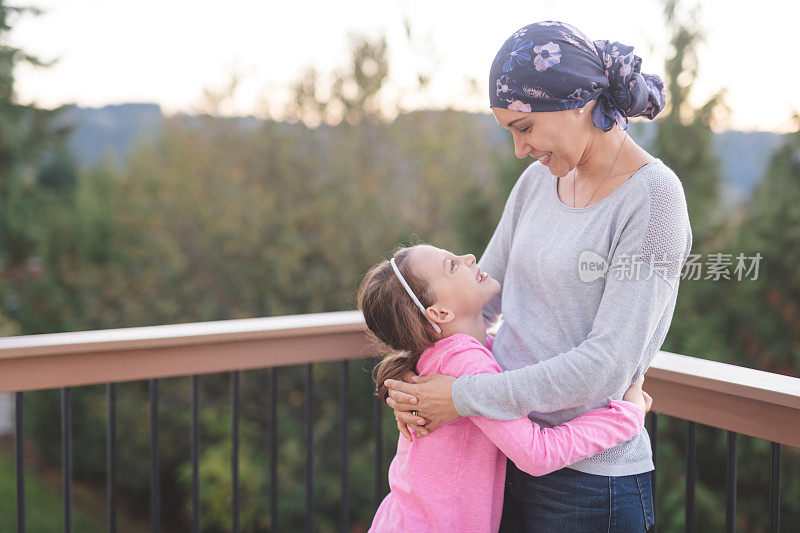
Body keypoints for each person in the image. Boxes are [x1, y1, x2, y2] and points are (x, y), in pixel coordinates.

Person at [384, 21, 692, 531]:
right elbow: (476, 301)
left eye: (524, 128)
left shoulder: (654, 199)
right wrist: (417, 387)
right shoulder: (535, 182)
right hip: (506, 455)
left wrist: (460, 398)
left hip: (589, 484)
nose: (519, 150)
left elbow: (607, 366)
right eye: (510, 132)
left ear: (577, 103)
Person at [359, 244, 652, 532]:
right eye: (452, 265)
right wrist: (628, 415)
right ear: (440, 314)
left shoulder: (440, 354)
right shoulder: (467, 364)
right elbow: (537, 454)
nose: (469, 257)